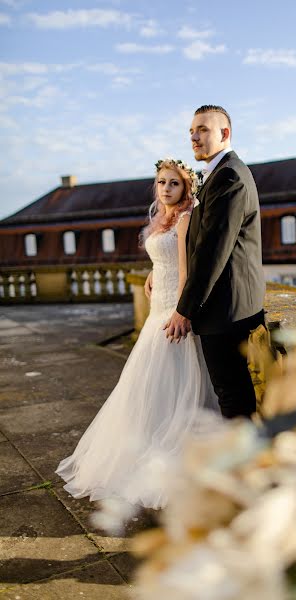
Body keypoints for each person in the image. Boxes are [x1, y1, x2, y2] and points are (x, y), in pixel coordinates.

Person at [55, 158, 219, 510]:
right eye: (162, 182)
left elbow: (187, 269)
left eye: (174, 183)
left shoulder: (187, 217)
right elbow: (165, 258)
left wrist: (181, 312)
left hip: (171, 310)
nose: (166, 188)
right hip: (157, 301)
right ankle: (142, 452)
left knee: (171, 381)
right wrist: (152, 271)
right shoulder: (161, 218)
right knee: (146, 385)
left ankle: (168, 458)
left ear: (185, 187)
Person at [165, 105, 266, 419]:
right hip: (223, 307)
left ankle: (245, 465)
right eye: (192, 131)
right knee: (230, 394)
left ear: (225, 133)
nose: (194, 137)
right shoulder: (219, 174)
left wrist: (185, 309)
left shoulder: (230, 176)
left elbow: (212, 252)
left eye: (203, 130)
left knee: (233, 398)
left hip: (225, 310)